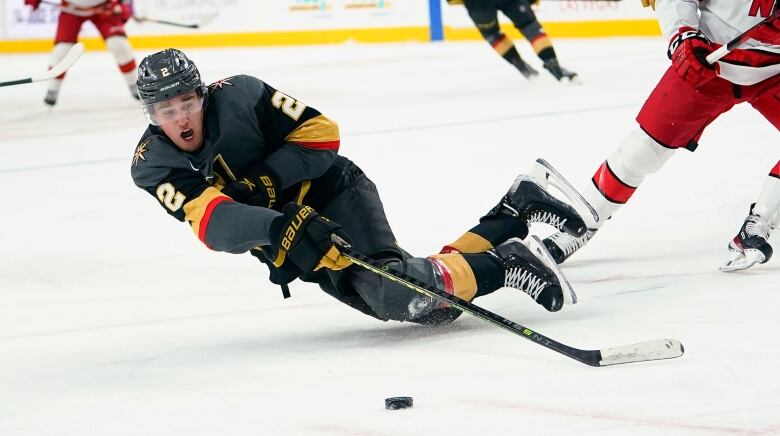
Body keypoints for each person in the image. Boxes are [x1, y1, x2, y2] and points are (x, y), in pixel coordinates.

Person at [130, 48, 588, 326]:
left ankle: (508, 262)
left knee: (400, 295)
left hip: (335, 193)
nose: (181, 118)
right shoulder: (154, 164)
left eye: (187, 102)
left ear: (203, 94)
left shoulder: (241, 96)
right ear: (151, 116)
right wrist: (280, 230)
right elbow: (213, 223)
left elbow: (321, 134)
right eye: (166, 111)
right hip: (296, 238)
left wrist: (267, 182)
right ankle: (512, 212)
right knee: (427, 302)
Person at [541, 0, 780, 271]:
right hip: (712, 63)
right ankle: (581, 223)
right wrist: (684, 35)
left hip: (774, 70)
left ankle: (759, 224)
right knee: (642, 153)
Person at [24, 0, 138, 106]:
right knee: (62, 50)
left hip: (105, 8)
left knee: (119, 45)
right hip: (71, 9)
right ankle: (53, 88)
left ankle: (135, 84)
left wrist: (124, 4)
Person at [446, 0, 577, 81]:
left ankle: (521, 66)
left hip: (478, 4)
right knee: (531, 27)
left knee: (492, 34)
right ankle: (552, 63)